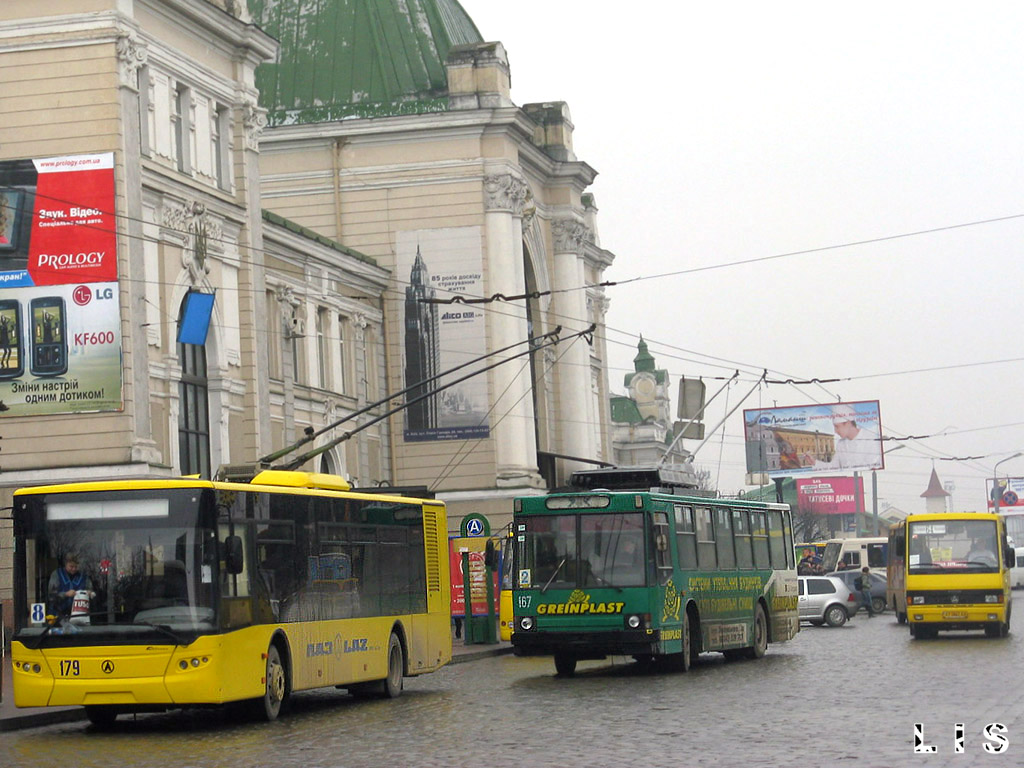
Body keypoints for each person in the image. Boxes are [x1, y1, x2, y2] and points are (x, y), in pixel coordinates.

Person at [802, 404, 879, 470]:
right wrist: (814, 462)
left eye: (837, 427)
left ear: (848, 423)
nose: (835, 431)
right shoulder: (840, 443)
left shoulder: (872, 439)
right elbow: (834, 467)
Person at [48, 553, 94, 617]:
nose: (74, 569)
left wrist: (90, 593)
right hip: (58, 614)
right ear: (66, 564)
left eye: (76, 567)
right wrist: (66, 594)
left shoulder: (84, 577)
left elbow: (92, 593)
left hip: (79, 615)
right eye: (71, 566)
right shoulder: (57, 574)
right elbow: (51, 596)